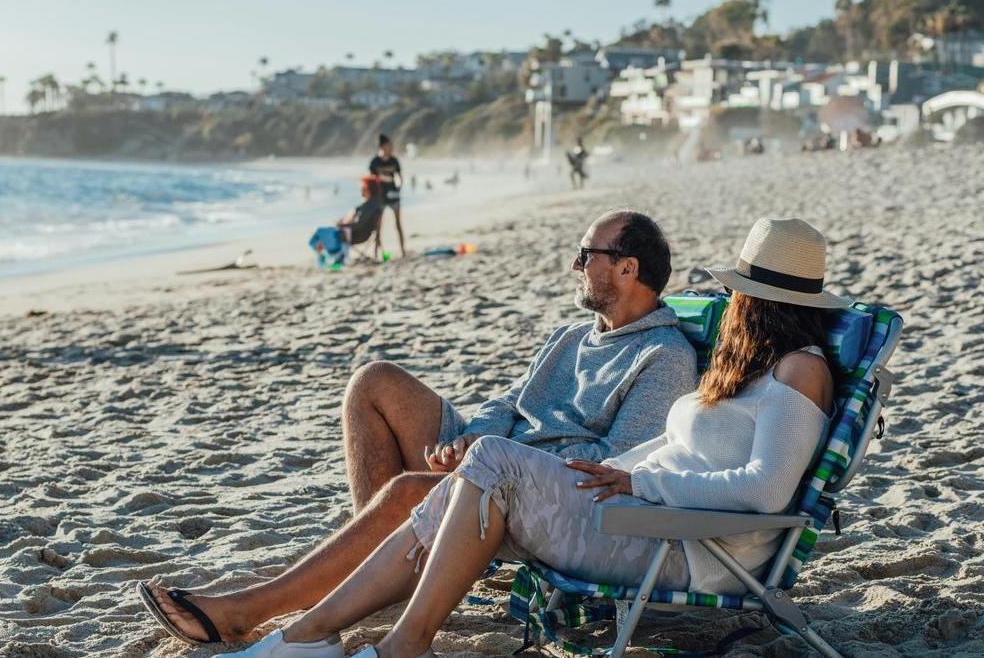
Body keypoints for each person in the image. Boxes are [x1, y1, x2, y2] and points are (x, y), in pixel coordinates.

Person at [214, 217, 850, 658]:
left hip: (689, 545)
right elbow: (661, 448)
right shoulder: (751, 373)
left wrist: (637, 481)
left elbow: (766, 492)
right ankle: (309, 634)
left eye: (736, 293)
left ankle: (392, 643)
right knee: (470, 472)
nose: (729, 304)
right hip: (647, 516)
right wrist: (606, 473)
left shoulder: (801, 370)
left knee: (488, 464)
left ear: (757, 301)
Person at [140, 210, 698, 646]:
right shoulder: (573, 336)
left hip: (533, 488)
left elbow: (617, 464)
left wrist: (497, 458)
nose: (576, 266)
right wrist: (470, 439)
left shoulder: (664, 355)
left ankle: (246, 611)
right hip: (496, 457)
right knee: (374, 382)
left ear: (627, 268)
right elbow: (509, 401)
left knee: (409, 492)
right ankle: (383, 567)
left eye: (586, 254)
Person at [368, 134, 405, 257]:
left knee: (398, 224)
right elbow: (370, 179)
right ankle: (377, 253)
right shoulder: (375, 162)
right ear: (382, 146)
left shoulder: (394, 160)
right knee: (378, 226)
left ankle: (403, 251)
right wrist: (382, 178)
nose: (392, 147)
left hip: (394, 195)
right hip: (380, 197)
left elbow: (399, 176)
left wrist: (399, 186)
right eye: (389, 145)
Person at [334, 176, 385, 260]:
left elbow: (359, 224)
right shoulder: (375, 204)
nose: (361, 190)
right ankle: (340, 258)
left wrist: (342, 225)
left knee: (330, 234)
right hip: (362, 233)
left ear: (368, 189)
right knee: (331, 233)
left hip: (359, 235)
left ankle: (340, 258)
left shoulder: (369, 206)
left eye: (363, 188)